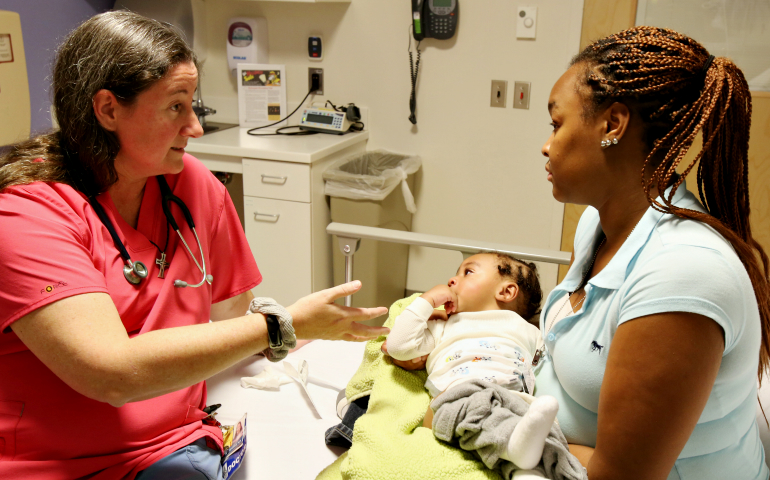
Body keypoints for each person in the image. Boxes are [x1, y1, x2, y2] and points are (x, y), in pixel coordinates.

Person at [0, 11, 388, 480]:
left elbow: (232, 316)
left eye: (193, 105)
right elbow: (111, 374)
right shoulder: (26, 216)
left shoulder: (191, 185)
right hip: (60, 464)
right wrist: (277, 326)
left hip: (179, 442)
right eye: (175, 106)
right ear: (107, 110)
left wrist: (317, 332)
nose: (196, 127)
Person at [531, 26, 770, 480]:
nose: (547, 145)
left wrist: (513, 433)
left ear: (612, 125)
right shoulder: (599, 223)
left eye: (556, 124)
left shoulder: (684, 273)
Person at [386, 253, 586, 480]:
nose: (452, 279)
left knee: (546, 432)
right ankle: (518, 454)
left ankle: (528, 471)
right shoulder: (443, 323)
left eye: (467, 272)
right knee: (472, 412)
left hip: (512, 398)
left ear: (506, 292)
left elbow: (549, 363)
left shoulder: (528, 330)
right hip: (459, 395)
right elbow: (398, 347)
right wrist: (427, 301)